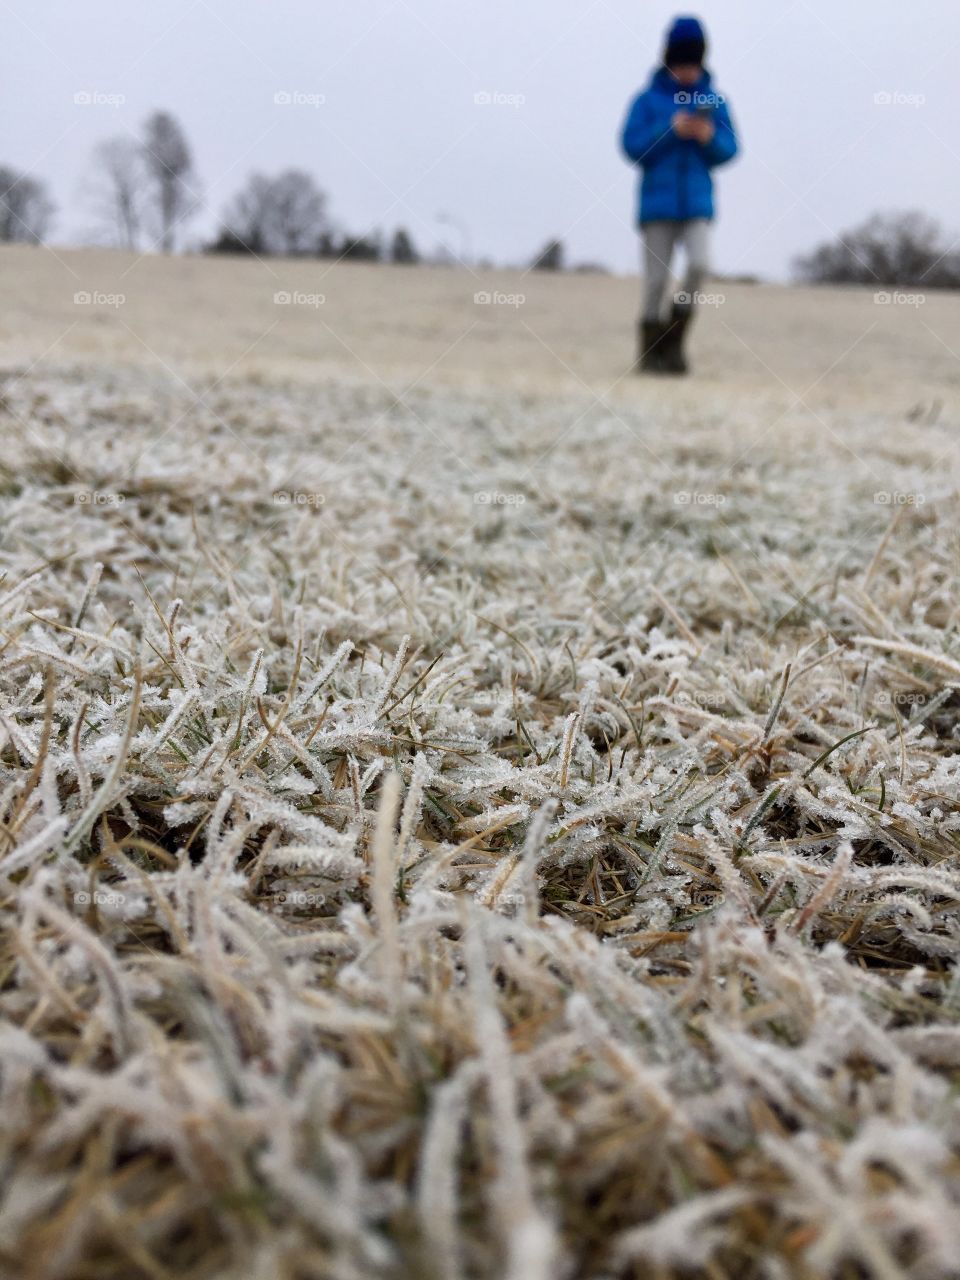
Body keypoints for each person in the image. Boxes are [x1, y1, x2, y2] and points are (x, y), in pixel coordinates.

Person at [620, 16, 739, 375]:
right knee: (656, 281)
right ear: (668, 60)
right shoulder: (647, 101)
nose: (687, 71)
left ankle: (674, 339)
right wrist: (670, 130)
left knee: (701, 264)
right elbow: (631, 147)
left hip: (697, 204)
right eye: (680, 63)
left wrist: (708, 137)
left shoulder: (714, 101)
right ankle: (651, 354)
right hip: (656, 205)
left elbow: (730, 149)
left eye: (693, 63)